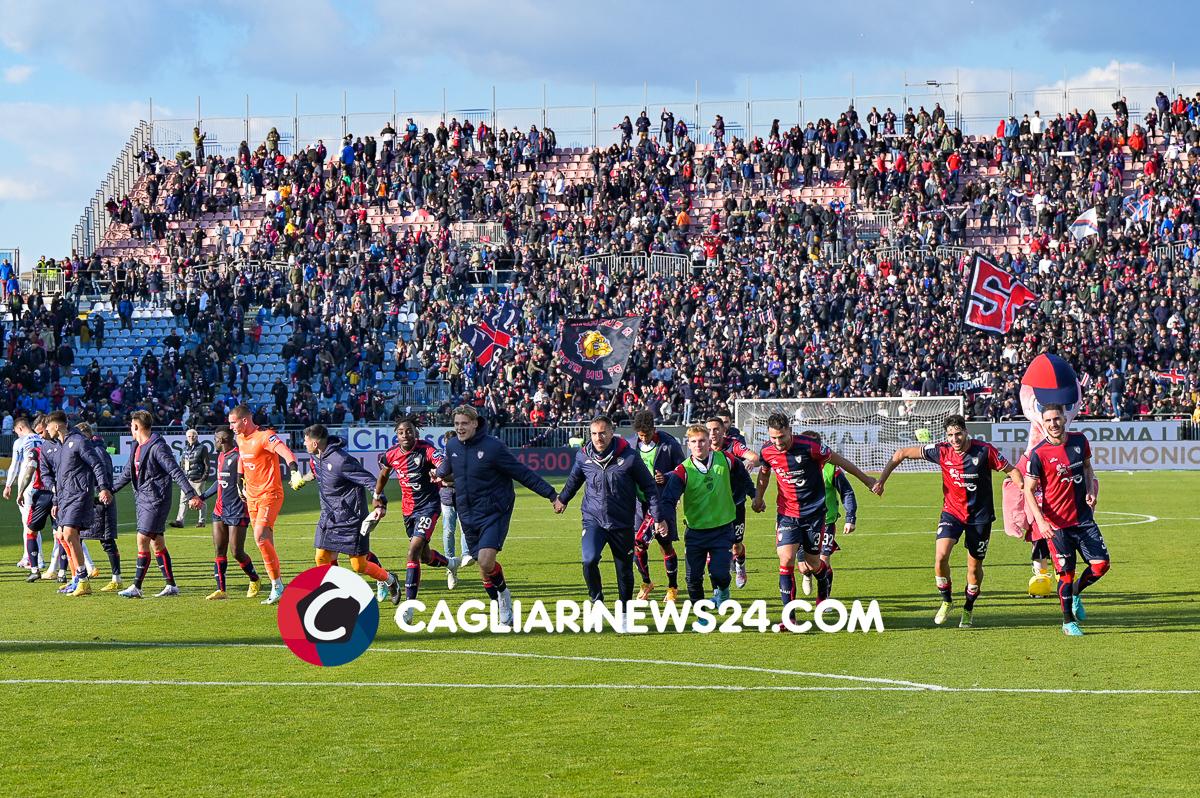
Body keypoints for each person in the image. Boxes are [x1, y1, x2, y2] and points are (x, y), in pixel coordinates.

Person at [875, 415, 1022, 628]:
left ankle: (968, 608)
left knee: (973, 569)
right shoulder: (941, 450)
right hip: (952, 513)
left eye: (958, 434)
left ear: (966, 431)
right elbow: (901, 454)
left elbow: (1012, 470)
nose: (955, 439)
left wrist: (1026, 491)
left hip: (979, 518)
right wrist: (881, 480)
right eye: (950, 435)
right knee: (941, 556)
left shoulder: (984, 451)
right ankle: (946, 601)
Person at [435, 405, 558, 627]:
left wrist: (551, 495)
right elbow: (449, 467)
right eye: (456, 424)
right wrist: (439, 472)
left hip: (494, 511)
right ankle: (498, 600)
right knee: (483, 567)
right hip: (467, 512)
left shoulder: (493, 447)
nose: (460, 428)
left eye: (464, 423)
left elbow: (522, 473)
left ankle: (503, 597)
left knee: (485, 560)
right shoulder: (452, 445)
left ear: (475, 423)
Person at [752, 412, 876, 632]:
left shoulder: (810, 446)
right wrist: (758, 497)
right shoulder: (766, 451)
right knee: (786, 559)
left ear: (790, 430)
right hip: (787, 513)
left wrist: (866, 480)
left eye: (782, 437)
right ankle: (789, 619)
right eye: (774, 438)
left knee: (813, 564)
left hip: (814, 514)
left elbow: (840, 461)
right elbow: (764, 473)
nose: (778, 443)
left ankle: (823, 575)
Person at [554, 416, 659, 614]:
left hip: (622, 522)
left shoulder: (629, 457)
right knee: (589, 559)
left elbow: (649, 486)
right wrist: (562, 499)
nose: (598, 437)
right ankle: (597, 600)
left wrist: (657, 514)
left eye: (602, 433)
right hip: (593, 519)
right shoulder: (583, 456)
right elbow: (574, 480)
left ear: (612, 432)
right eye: (594, 433)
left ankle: (625, 612)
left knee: (624, 570)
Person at [1023, 404, 1108, 636]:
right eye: (1048, 420)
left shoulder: (1080, 441)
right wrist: (1040, 522)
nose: (1053, 424)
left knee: (1101, 566)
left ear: (1064, 419)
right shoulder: (1038, 454)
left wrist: (1091, 490)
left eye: (1057, 419)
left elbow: (1088, 468)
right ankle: (1068, 621)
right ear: (1043, 423)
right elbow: (1028, 490)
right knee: (1066, 575)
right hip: (1057, 525)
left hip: (1083, 519)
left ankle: (1077, 593)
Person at [658, 424, 753, 624]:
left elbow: (743, 476)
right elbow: (668, 498)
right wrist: (663, 519)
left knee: (719, 573)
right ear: (688, 445)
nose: (698, 445)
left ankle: (724, 590)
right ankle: (702, 619)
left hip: (722, 529)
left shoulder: (725, 460)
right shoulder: (683, 470)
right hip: (695, 533)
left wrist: (755, 496)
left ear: (709, 442)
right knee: (693, 579)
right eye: (694, 442)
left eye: (702, 441)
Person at [300, 424, 401, 605]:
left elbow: (369, 479)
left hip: (351, 518)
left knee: (359, 565)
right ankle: (338, 595)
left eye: (305, 440)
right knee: (321, 558)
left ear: (315, 443)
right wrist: (301, 479)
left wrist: (380, 502)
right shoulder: (315, 457)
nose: (303, 443)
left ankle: (390, 580)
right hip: (329, 516)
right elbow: (315, 473)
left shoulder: (341, 460)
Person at [113, 411, 203, 598]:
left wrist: (191, 494)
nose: (130, 428)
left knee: (142, 538)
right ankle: (171, 586)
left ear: (136, 426)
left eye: (131, 425)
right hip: (143, 499)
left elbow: (175, 471)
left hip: (156, 499)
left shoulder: (158, 447)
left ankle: (136, 587)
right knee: (157, 542)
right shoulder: (136, 446)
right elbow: (128, 474)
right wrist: (110, 490)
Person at [375, 418, 458, 614]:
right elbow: (384, 474)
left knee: (412, 552)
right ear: (397, 435)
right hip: (408, 511)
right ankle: (451, 563)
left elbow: (444, 466)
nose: (406, 435)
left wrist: (439, 473)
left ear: (416, 433)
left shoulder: (426, 449)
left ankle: (409, 607)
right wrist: (377, 495)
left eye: (409, 431)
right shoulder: (392, 455)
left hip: (429, 507)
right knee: (425, 555)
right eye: (401, 432)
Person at [228, 405, 299, 605]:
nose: (231, 426)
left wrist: (293, 469)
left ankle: (277, 586)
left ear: (244, 420)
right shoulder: (240, 438)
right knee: (266, 541)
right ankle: (277, 584)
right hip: (251, 496)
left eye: (233, 422)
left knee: (259, 536)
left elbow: (285, 452)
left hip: (270, 494)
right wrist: (239, 480)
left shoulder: (266, 436)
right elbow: (242, 457)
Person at [42, 410, 114, 597]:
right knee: (65, 537)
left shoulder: (79, 441)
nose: (46, 430)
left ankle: (82, 580)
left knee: (69, 533)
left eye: (48, 426)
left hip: (80, 495)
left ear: (56, 426)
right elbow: (59, 477)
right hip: (65, 498)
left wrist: (104, 488)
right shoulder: (61, 446)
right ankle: (78, 580)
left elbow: (97, 464)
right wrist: (56, 500)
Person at [198, 427, 262, 600]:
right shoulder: (220, 457)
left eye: (215, 439)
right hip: (220, 509)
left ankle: (255, 579)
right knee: (219, 550)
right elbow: (219, 483)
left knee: (236, 551)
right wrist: (202, 497)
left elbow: (250, 481)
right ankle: (221, 590)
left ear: (222, 440)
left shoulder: (239, 457)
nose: (214, 442)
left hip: (238, 510)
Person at [628, 410, 684, 602]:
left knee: (665, 546)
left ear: (654, 429)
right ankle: (646, 582)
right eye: (640, 435)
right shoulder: (630, 445)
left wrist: (667, 476)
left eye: (647, 434)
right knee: (638, 545)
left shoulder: (669, 444)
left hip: (661, 504)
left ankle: (672, 587)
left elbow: (683, 469)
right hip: (638, 504)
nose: (643, 439)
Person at [797, 431, 856, 597]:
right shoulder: (797, 466)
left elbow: (847, 492)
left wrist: (850, 517)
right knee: (805, 566)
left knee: (823, 560)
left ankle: (824, 598)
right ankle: (807, 575)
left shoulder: (831, 469)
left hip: (826, 522)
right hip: (801, 521)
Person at [705, 416, 759, 588]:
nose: (712, 433)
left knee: (736, 545)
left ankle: (740, 564)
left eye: (716, 429)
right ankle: (719, 588)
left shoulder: (733, 445)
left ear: (723, 431)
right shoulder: (703, 448)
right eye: (709, 430)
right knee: (711, 545)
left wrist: (750, 460)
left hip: (736, 503)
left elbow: (754, 457)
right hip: (713, 506)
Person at [79, 424, 123, 592]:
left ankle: (116, 578)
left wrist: (99, 491)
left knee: (106, 540)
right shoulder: (91, 450)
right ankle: (78, 577)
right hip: (90, 500)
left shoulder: (98, 451)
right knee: (77, 537)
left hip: (100, 500)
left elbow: (104, 475)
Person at [8, 415, 52, 581]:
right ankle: (28, 556)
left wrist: (8, 485)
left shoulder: (20, 442)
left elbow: (14, 465)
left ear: (19, 428)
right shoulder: (42, 440)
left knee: (30, 524)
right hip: (44, 484)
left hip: (28, 485)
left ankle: (37, 559)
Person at [171, 428, 208, 528]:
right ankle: (180, 521)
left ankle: (202, 521)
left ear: (197, 437)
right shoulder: (185, 449)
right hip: (187, 479)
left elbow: (206, 464)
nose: (191, 438)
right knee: (183, 500)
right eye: (189, 436)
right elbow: (183, 463)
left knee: (200, 500)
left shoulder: (202, 448)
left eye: (193, 436)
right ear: (186, 437)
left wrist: (204, 477)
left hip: (198, 478)